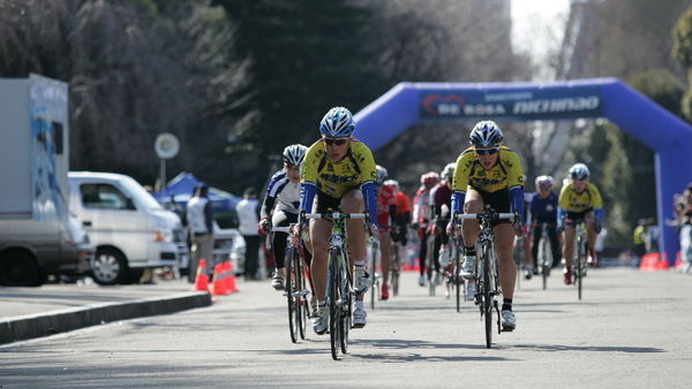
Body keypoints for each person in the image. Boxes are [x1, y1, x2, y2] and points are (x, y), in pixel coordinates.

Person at [298, 106, 378, 334]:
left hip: (352, 195)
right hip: (324, 198)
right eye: (328, 141)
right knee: (318, 248)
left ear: (350, 138)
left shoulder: (361, 152)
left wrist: (372, 219)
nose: (333, 147)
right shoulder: (314, 153)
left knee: (352, 208)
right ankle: (322, 307)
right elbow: (307, 188)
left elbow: (370, 189)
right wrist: (303, 217)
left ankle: (358, 296)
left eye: (339, 142)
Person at [447, 120, 526, 331]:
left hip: (503, 197)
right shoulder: (465, 160)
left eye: (491, 151)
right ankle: (471, 254)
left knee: (505, 252)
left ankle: (508, 308)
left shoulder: (510, 158)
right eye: (481, 152)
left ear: (499, 147)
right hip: (478, 193)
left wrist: (520, 219)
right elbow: (458, 193)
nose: (487, 157)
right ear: (474, 149)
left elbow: (517, 192)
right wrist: (454, 217)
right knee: (470, 206)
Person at [258, 144, 310, 290]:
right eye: (291, 168)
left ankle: (315, 291)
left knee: (309, 245)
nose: (296, 173)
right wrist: (264, 219)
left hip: (305, 212)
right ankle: (279, 270)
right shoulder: (278, 179)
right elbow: (267, 205)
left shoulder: (312, 178)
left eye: (300, 168)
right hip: (285, 211)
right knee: (278, 229)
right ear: (284, 166)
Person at [557, 163, 605, 284]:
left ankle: (591, 251)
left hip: (586, 212)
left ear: (587, 180)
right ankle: (568, 270)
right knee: (568, 242)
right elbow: (561, 210)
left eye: (582, 181)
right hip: (571, 213)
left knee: (591, 221)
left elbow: (598, 209)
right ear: (571, 180)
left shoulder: (592, 190)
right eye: (575, 181)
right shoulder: (566, 190)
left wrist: (598, 223)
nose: (579, 184)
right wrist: (560, 223)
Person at [412, 171, 440, 286]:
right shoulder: (421, 193)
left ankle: (437, 272)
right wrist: (415, 220)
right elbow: (417, 207)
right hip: (425, 219)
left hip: (436, 218)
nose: (428, 187)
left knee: (437, 246)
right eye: (427, 185)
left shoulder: (438, 191)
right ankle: (421, 274)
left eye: (431, 185)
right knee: (423, 246)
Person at [530, 175, 561, 271]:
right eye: (541, 188)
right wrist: (532, 224)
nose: (544, 191)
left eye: (547, 188)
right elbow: (532, 212)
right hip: (539, 221)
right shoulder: (535, 198)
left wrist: (558, 224)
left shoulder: (555, 197)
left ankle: (555, 260)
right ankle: (535, 265)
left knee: (554, 238)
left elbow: (559, 211)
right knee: (535, 242)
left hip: (552, 221)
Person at [375, 165, 396, 300]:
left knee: (386, 249)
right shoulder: (365, 188)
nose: (378, 186)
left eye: (380, 183)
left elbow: (393, 210)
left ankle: (384, 284)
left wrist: (394, 226)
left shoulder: (389, 190)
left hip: (384, 221)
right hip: (369, 219)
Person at [186, 184, 214, 283]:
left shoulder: (191, 202)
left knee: (195, 257)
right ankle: (203, 277)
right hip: (204, 232)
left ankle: (193, 277)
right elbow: (208, 218)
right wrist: (211, 230)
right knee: (205, 257)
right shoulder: (205, 202)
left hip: (193, 232)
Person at [237, 187, 261, 280]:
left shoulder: (240, 204)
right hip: (255, 230)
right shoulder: (256, 204)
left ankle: (246, 272)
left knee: (247, 252)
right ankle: (252, 273)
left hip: (244, 230)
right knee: (254, 253)